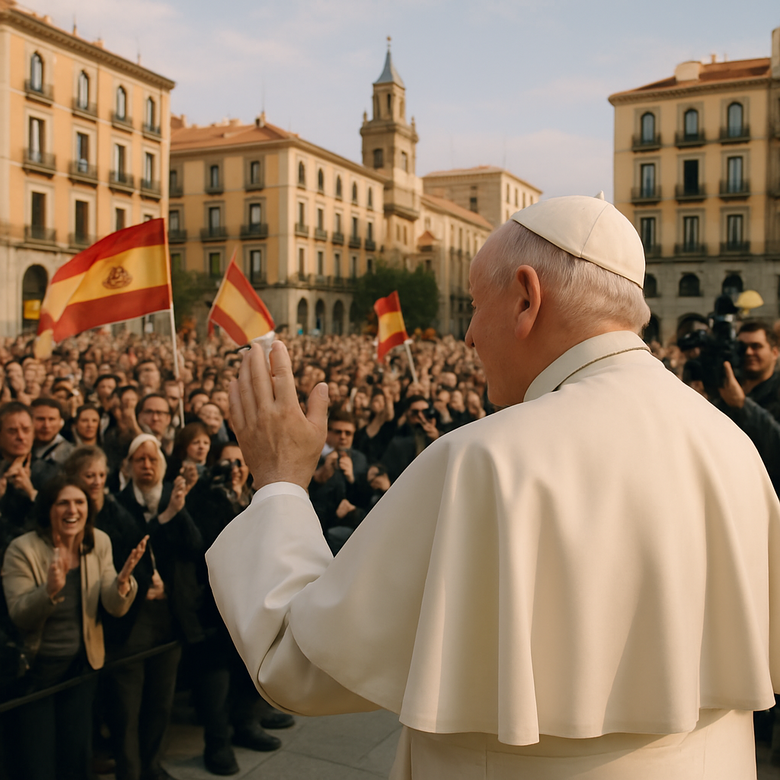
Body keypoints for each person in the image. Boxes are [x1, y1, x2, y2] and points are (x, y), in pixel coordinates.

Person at [207, 195, 780, 779]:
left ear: (527, 298)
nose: (469, 338)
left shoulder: (481, 460)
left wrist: (279, 484)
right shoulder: (733, 444)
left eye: (478, 306)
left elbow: (297, 664)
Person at [2, 474, 145, 780]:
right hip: (36, 673)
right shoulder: (21, 549)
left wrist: (122, 585)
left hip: (80, 669)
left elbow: (110, 603)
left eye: (79, 502)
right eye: (63, 503)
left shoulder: (99, 541)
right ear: (48, 509)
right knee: (37, 762)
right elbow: (19, 615)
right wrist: (49, 591)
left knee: (76, 756)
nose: (73, 510)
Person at [108, 434, 202, 780]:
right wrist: (163, 520)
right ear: (129, 466)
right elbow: (128, 545)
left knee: (161, 700)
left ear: (162, 465)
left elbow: (195, 546)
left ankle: (151, 766)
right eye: (139, 460)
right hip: (132, 617)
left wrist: (178, 512)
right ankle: (129, 772)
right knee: (126, 705)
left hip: (169, 614)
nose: (146, 466)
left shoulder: (170, 497)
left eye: (152, 460)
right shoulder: (116, 503)